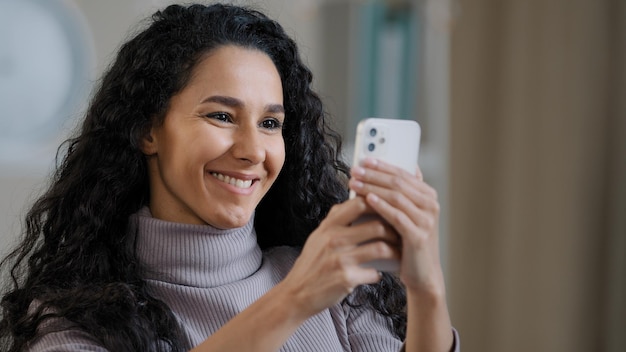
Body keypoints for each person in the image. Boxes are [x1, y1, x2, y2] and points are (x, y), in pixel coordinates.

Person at [0, 3, 458, 352]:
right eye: (221, 115)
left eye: (270, 123)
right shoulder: (70, 322)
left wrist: (427, 287)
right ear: (147, 129)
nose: (252, 150)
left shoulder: (335, 288)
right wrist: (294, 301)